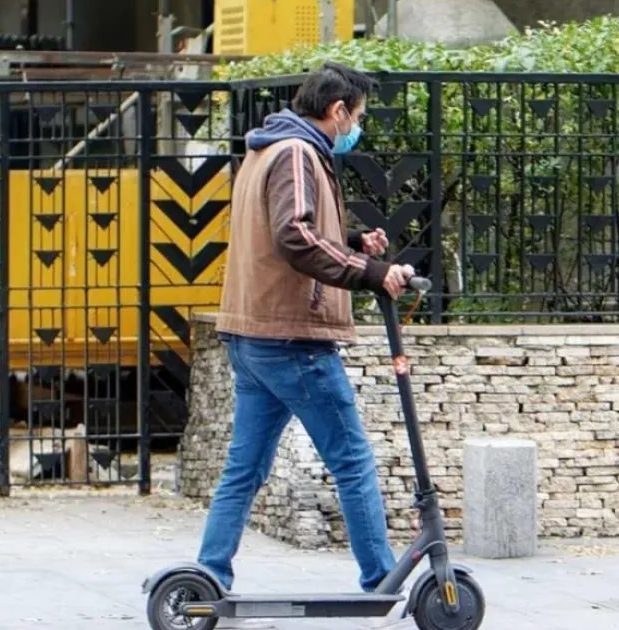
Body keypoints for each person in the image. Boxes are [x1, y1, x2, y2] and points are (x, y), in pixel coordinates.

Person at [198, 61, 416, 627]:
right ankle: (380, 579)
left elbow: (288, 228)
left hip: (254, 332)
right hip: (292, 335)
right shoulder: (297, 152)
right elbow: (293, 236)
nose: (356, 129)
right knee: (353, 461)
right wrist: (371, 271)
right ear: (337, 110)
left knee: (243, 469)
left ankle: (208, 575)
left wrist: (351, 241)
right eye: (357, 117)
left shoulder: (270, 147)